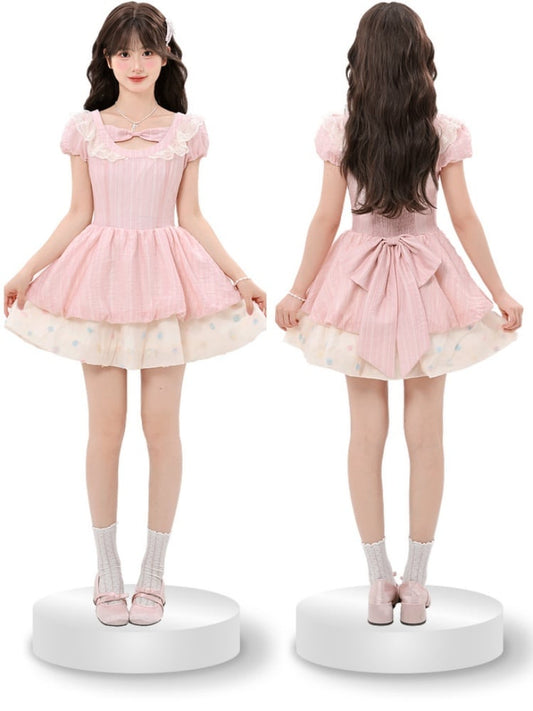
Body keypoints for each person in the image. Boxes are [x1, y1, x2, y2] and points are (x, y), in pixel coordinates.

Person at [3, 1, 266, 627]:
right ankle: (107, 568)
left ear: (166, 56)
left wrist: (241, 276)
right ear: (107, 58)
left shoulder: (187, 131)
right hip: (98, 282)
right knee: (105, 431)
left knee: (162, 429)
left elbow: (191, 215)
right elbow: (78, 213)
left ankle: (153, 570)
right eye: (123, 52)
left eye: (148, 51)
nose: (136, 63)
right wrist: (24, 272)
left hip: (165, 282)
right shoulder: (85, 129)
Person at [276, 1, 522, 626]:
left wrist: (299, 292)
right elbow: (463, 218)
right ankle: (415, 582)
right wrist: (498, 292)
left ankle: (376, 579)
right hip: (426, 278)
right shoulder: (442, 131)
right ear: (419, 60)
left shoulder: (342, 130)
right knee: (427, 436)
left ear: (361, 60)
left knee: (365, 435)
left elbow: (325, 218)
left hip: (355, 280)